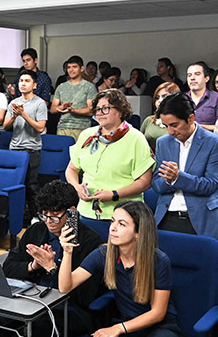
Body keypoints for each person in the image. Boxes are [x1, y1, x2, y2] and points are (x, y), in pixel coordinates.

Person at [0, 180, 104, 337]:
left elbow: (83, 296)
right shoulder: (37, 231)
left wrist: (52, 267)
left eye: (54, 216)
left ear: (71, 212)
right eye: (44, 215)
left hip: (67, 309)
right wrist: (33, 266)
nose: (48, 221)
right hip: (31, 301)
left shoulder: (90, 242)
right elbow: (8, 268)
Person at [58, 200, 184, 337]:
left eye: (122, 224)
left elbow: (158, 313)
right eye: (113, 221)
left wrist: (117, 328)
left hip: (161, 329)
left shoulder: (159, 261)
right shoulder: (103, 254)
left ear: (138, 232)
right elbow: (65, 287)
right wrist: (67, 252)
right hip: (129, 326)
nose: (113, 228)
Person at [66, 89, 154, 225]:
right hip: (86, 211)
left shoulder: (136, 138)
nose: (100, 113)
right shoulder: (86, 135)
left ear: (120, 110)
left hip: (124, 216)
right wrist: (76, 187)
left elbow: (145, 182)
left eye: (105, 108)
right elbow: (71, 169)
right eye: (98, 109)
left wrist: (114, 194)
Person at [152, 93, 218, 240]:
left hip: (201, 220)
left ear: (191, 118)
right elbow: (156, 184)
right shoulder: (163, 143)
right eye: (166, 126)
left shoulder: (214, 143)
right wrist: (169, 180)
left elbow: (211, 185)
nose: (170, 131)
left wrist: (178, 178)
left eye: (174, 125)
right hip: (166, 217)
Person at [4, 70, 48, 221]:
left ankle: (36, 215)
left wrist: (24, 115)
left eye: (27, 81)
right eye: (21, 80)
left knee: (31, 184)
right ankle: (18, 217)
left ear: (34, 85)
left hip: (31, 149)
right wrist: (15, 115)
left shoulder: (39, 103)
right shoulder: (13, 103)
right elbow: (5, 126)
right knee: (16, 185)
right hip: (15, 149)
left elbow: (40, 127)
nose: (23, 83)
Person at [51, 55, 98, 141]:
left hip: (82, 128)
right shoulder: (61, 87)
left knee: (80, 154)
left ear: (82, 69)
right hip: (62, 127)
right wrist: (62, 107)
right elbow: (53, 109)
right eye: (69, 67)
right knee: (64, 154)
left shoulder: (89, 87)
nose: (71, 70)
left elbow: (91, 111)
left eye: (74, 67)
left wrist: (72, 110)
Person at [185, 62, 218, 132]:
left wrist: (197, 127)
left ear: (206, 78)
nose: (192, 78)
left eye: (197, 74)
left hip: (211, 140)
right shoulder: (181, 99)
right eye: (189, 75)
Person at [140, 82, 181, 151]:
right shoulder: (149, 120)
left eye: (164, 96)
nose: (159, 101)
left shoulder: (181, 123)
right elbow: (138, 143)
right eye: (157, 97)